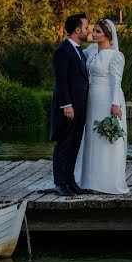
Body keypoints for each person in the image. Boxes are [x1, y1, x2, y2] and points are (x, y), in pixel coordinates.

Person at [76, 19, 129, 194]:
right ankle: (89, 180)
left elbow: (116, 81)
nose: (93, 34)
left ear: (107, 35)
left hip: (107, 98)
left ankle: (107, 181)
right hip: (92, 99)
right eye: (93, 31)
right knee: (91, 135)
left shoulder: (115, 56)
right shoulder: (91, 51)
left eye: (98, 31)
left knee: (106, 138)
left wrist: (115, 104)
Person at [49, 13, 90, 197]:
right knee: (64, 144)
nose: (88, 31)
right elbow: (61, 80)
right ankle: (60, 183)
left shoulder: (78, 50)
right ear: (77, 30)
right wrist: (67, 105)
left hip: (80, 107)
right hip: (69, 107)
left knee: (75, 144)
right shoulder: (63, 51)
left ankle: (70, 180)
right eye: (86, 27)